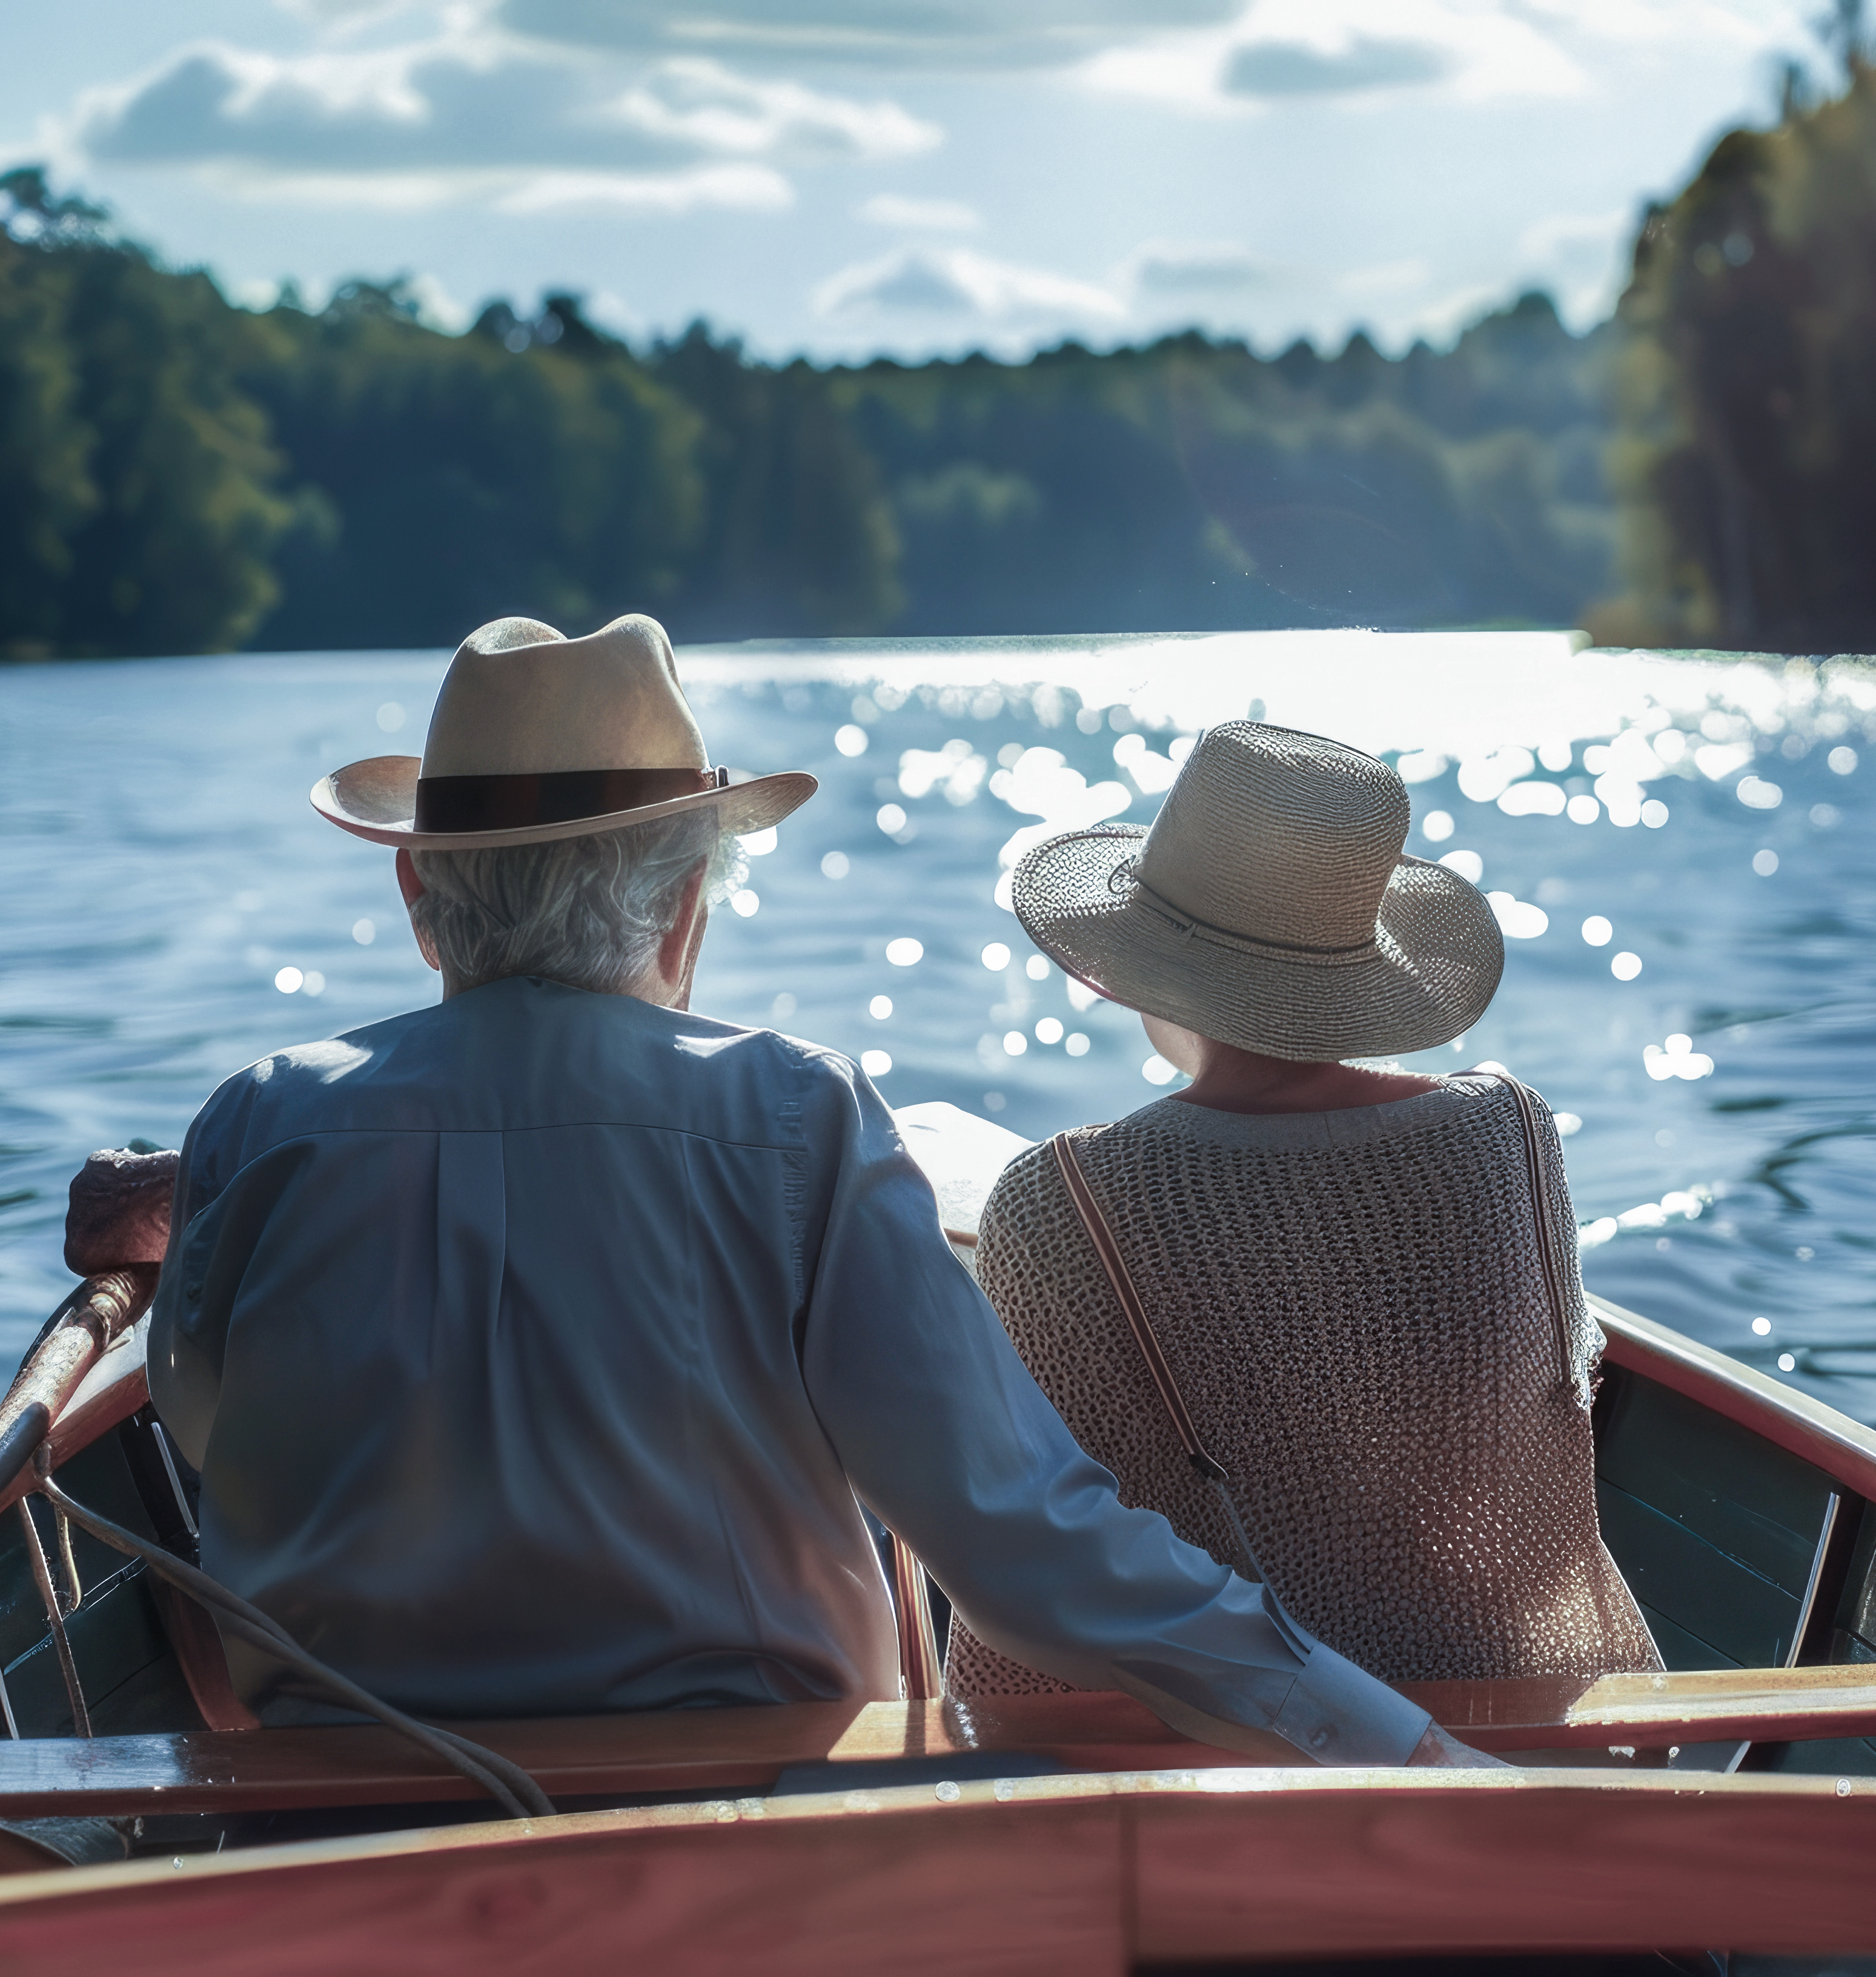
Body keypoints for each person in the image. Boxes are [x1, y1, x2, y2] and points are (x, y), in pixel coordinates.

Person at [147, 615, 1493, 1772]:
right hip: (746, 1858)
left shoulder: (259, 1123)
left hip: (340, 1850)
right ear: (684, 902)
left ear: (413, 890)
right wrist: (1395, 1745)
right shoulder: (789, 1115)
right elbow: (1026, 1550)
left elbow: (208, 1440)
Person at [944, 720, 1661, 1697]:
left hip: (1255, 1745)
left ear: (1148, 962)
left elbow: (1041, 1548)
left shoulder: (1061, 1203)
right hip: (1520, 1707)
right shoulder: (1511, 1134)